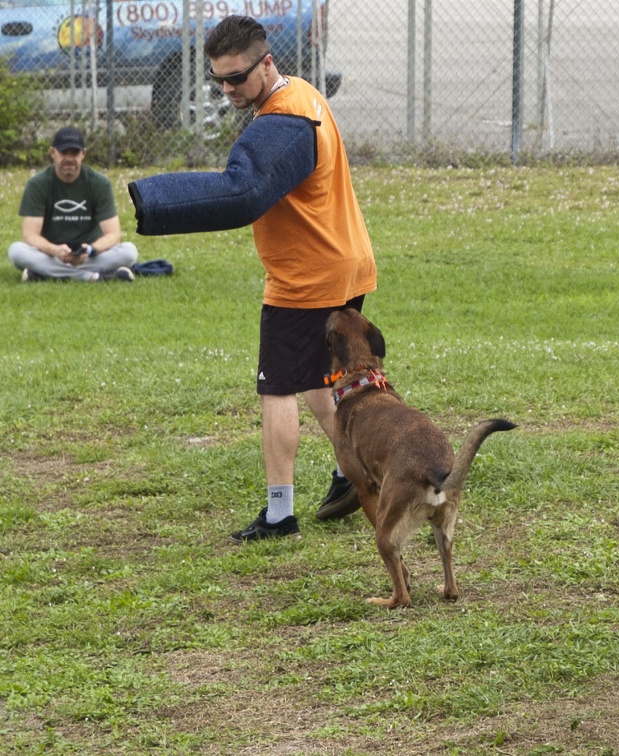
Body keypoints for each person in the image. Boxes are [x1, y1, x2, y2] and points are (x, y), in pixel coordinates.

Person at [127, 15, 376, 542]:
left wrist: (154, 201)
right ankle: (352, 473)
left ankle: (280, 514)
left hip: (307, 279)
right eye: (219, 78)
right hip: (344, 261)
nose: (228, 89)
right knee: (317, 380)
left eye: (238, 77)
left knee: (278, 387)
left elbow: (242, 192)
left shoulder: (283, 121)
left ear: (268, 62)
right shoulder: (305, 94)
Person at [9, 127, 138, 282]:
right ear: (53, 153)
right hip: (51, 254)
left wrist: (90, 250)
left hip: (89, 255)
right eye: (64, 153)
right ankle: (93, 277)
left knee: (129, 252)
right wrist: (55, 250)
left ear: (83, 154)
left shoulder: (99, 183)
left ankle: (43, 274)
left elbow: (113, 234)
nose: (69, 158)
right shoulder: (38, 184)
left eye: (75, 153)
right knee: (16, 251)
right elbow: (29, 235)